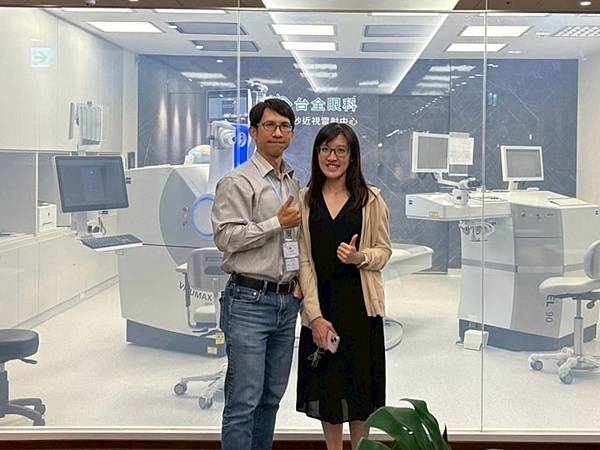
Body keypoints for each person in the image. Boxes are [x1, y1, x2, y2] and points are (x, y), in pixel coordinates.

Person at [212, 98, 302, 450]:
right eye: (270, 125)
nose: (278, 132)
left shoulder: (291, 181)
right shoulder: (237, 181)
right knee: (243, 401)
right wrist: (275, 223)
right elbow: (226, 238)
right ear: (253, 132)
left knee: (270, 398)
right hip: (248, 301)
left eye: (285, 126)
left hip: (285, 302)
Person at [296, 123, 392, 450]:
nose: (332, 157)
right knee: (328, 390)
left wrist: (359, 257)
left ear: (352, 157)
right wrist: (314, 316)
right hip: (322, 307)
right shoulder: (305, 200)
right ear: (317, 154)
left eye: (340, 150)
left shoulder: (370, 199)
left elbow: (384, 251)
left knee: (360, 392)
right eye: (325, 149)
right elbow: (304, 261)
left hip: (360, 308)